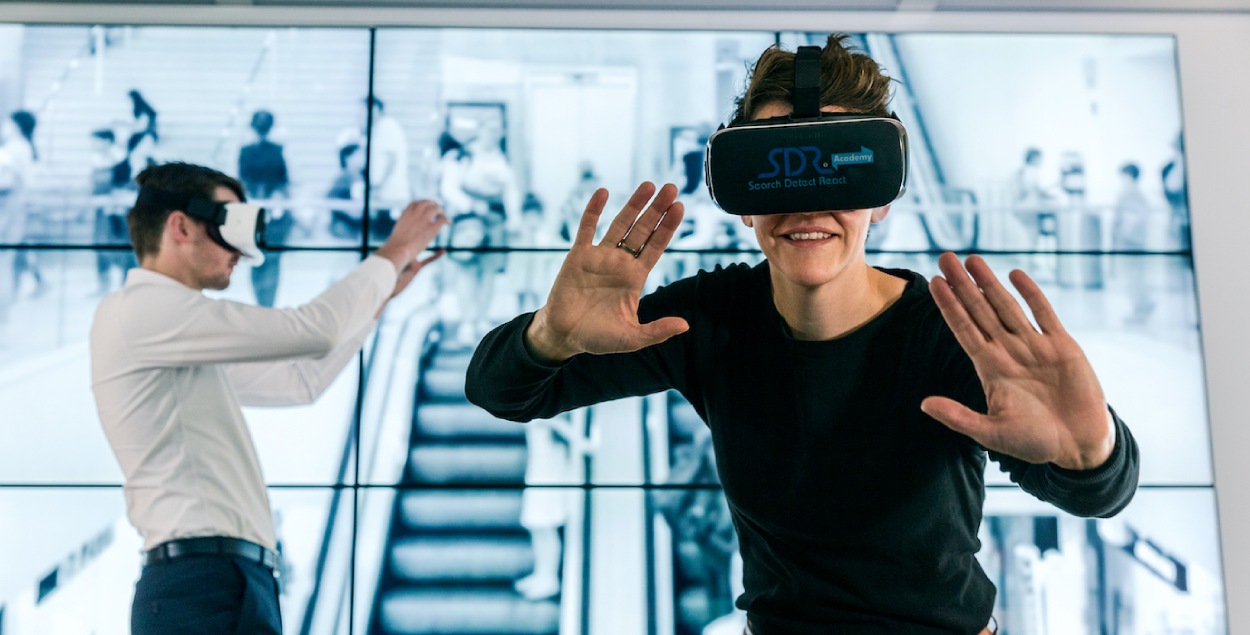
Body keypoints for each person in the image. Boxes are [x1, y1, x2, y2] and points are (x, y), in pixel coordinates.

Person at [465, 35, 1139, 634]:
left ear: (880, 197)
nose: (807, 204)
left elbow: (1096, 492)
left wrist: (1093, 450)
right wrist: (549, 335)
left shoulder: (948, 329)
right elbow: (503, 390)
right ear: (745, 203)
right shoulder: (712, 317)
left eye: (839, 169)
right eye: (782, 170)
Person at [90, 162, 447, 634]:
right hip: (202, 582)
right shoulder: (142, 311)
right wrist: (395, 247)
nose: (243, 252)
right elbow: (314, 331)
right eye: (228, 227)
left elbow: (300, 381)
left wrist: (378, 300)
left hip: (227, 579)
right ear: (180, 226)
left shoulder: (174, 332)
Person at [238, 109, 292, 307]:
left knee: (261, 259)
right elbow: (283, 181)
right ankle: (265, 304)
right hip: (267, 212)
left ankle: (264, 304)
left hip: (263, 212)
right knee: (268, 260)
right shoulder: (273, 150)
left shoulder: (250, 151)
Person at [363, 96, 411, 240]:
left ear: (375, 109)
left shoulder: (386, 127)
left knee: (385, 239)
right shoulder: (381, 127)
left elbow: (392, 159)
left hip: (389, 195)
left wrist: (378, 186)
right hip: (386, 194)